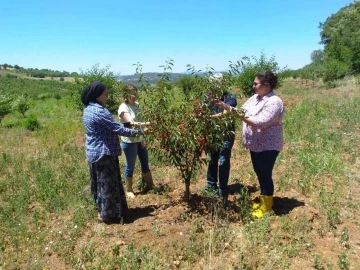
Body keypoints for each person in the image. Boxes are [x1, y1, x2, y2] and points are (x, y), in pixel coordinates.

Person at [216, 71, 284, 218]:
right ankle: (264, 198)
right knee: (259, 172)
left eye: (256, 83)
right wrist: (223, 108)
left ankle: (266, 206)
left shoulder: (274, 102)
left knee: (264, 174)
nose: (253, 86)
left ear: (266, 85)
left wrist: (239, 115)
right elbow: (241, 110)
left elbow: (260, 122)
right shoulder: (255, 98)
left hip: (268, 146)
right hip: (256, 145)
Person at [81, 81, 144, 224]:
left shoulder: (88, 109)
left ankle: (103, 210)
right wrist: (139, 132)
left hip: (93, 152)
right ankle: (108, 215)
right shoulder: (100, 111)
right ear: (97, 95)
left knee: (99, 184)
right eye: (105, 94)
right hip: (104, 152)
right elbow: (118, 129)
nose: (107, 96)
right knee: (107, 185)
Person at [204, 73, 237, 204]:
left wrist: (209, 118)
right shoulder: (208, 96)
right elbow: (203, 109)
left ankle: (223, 189)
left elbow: (226, 113)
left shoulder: (230, 97)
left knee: (223, 160)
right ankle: (210, 185)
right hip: (212, 134)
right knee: (212, 159)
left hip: (225, 134)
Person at [118, 84, 153, 198]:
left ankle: (149, 185)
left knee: (145, 161)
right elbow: (131, 123)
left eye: (135, 93)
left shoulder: (137, 105)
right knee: (130, 165)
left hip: (140, 138)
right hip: (129, 141)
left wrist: (144, 135)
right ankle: (129, 189)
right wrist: (148, 125)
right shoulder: (123, 108)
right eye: (131, 93)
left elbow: (142, 119)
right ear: (126, 95)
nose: (134, 95)